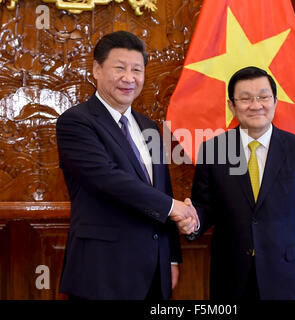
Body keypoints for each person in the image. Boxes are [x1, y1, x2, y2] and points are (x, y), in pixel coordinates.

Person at [56, 31, 197, 300]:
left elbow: (162, 190)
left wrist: (171, 259)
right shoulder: (76, 123)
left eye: (137, 70)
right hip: (103, 272)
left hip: (154, 271)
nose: (129, 78)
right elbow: (109, 179)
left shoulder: (148, 126)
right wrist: (174, 208)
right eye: (119, 68)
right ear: (96, 69)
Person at [186, 66, 295, 300]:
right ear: (232, 106)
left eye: (263, 96)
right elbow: (205, 209)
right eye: (246, 98)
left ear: (275, 101)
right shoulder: (214, 150)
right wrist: (192, 220)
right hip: (230, 277)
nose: (256, 104)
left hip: (285, 275)